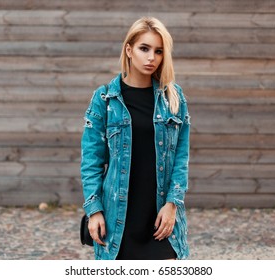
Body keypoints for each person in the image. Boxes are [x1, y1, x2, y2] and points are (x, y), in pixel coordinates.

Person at [80, 16, 190, 260]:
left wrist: (173, 204)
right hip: (117, 219)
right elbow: (91, 161)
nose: (151, 57)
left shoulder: (173, 98)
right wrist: (94, 210)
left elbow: (181, 158)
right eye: (144, 48)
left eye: (158, 51)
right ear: (129, 50)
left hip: (161, 219)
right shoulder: (105, 99)